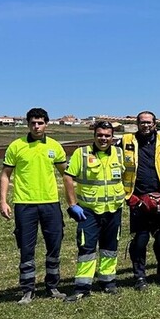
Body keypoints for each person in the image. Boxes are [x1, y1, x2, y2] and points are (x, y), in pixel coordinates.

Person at [0, 108, 68, 304]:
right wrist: (3, 201)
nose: (36, 126)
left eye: (40, 122)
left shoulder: (55, 146)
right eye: (33, 123)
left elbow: (66, 174)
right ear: (28, 124)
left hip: (51, 204)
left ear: (47, 123)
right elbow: (5, 175)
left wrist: (74, 199)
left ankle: (52, 286)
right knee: (26, 248)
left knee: (54, 245)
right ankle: (27, 290)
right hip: (24, 204)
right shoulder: (16, 146)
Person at [62, 121, 126, 302]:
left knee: (110, 247)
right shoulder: (81, 154)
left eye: (107, 135)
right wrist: (73, 204)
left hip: (113, 210)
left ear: (112, 137)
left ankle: (108, 281)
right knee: (87, 248)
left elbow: (126, 177)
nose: (103, 139)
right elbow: (68, 177)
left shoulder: (119, 154)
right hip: (88, 211)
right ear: (94, 136)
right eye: (100, 135)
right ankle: (82, 286)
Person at [121, 111, 160, 290]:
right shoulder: (126, 141)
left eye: (149, 122)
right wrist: (129, 197)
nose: (146, 125)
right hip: (137, 198)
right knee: (140, 239)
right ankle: (140, 276)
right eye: (142, 122)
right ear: (137, 123)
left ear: (155, 124)